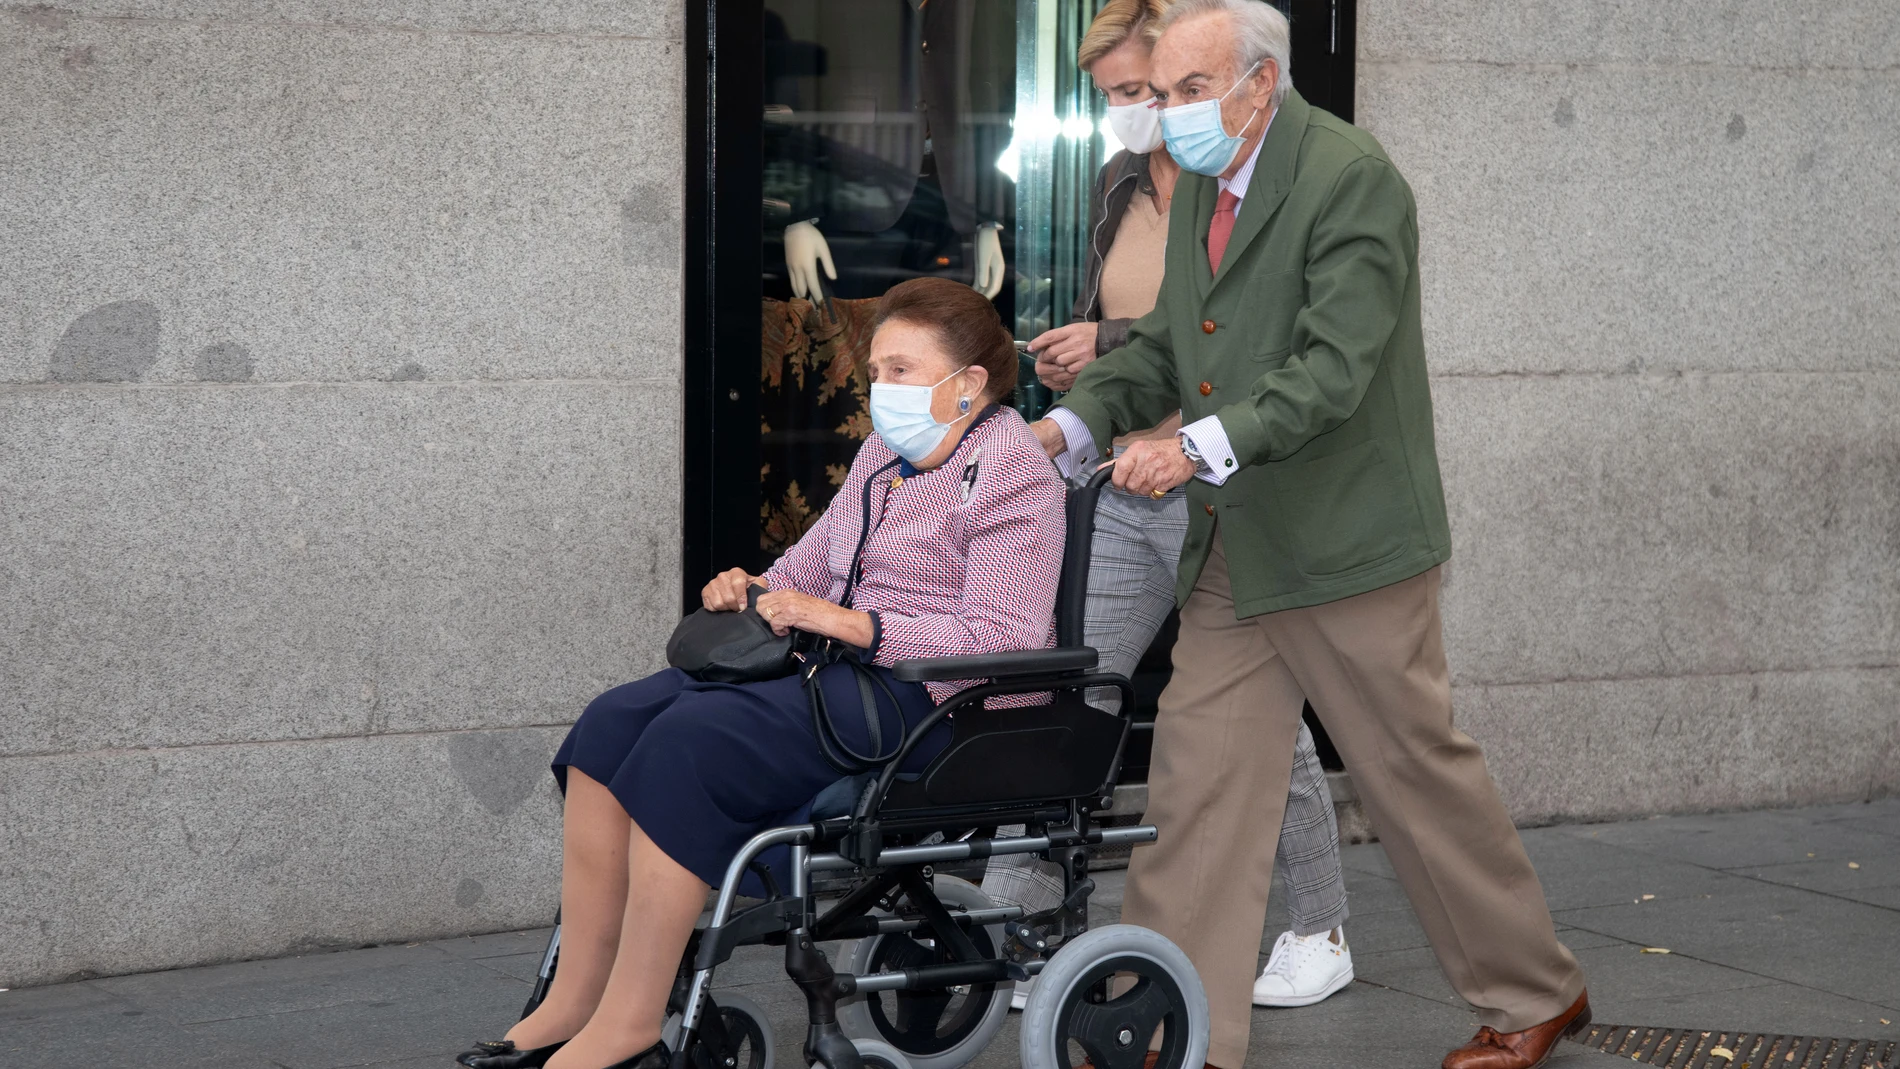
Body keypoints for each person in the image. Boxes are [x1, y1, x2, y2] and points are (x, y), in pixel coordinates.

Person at [1029, 2, 1591, 1068]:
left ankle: (1533, 995)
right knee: (1198, 783)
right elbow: (1171, 344)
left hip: (1344, 545)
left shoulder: (1350, 178)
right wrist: (1067, 426)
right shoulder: (1208, 178)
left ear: (1260, 83)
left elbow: (1334, 368)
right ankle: (1174, 1021)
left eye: (1192, 90)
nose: (1170, 114)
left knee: (1412, 774)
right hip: (1237, 541)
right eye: (1161, 92)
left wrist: (1192, 448)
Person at [457, 278, 1067, 1069]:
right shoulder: (884, 456)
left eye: (902, 370)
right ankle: (574, 998)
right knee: (610, 723)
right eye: (876, 370)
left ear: (969, 383)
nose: (880, 388)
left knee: (693, 740)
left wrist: (853, 624)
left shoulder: (1015, 472)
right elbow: (804, 570)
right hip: (843, 674)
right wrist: (752, 587)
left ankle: (630, 1020)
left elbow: (1003, 636)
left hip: (934, 700)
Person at [979, 0, 1354, 1014]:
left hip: (1222, 483)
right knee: (1068, 684)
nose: (1139, 109)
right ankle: (1018, 925)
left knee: (1260, 716)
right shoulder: (1120, 184)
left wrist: (1113, 353)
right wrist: (1083, 394)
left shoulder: (1244, 184)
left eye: (1152, 89)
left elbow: (1236, 340)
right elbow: (1145, 337)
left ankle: (1319, 927)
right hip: (1128, 478)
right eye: (1116, 95)